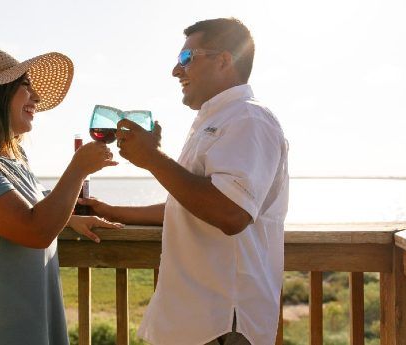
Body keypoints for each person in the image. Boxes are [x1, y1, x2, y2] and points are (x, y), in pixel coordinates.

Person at [80, 18, 289, 344]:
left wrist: (152, 159)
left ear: (224, 60)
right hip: (196, 321)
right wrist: (110, 211)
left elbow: (231, 212)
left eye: (186, 59)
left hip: (221, 323)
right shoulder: (216, 120)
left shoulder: (248, 119)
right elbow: (187, 205)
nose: (176, 71)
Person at [0, 49, 121, 345]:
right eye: (25, 85)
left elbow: (32, 211)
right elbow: (35, 229)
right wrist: (78, 169)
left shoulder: (14, 162)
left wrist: (69, 219)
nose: (36, 98)